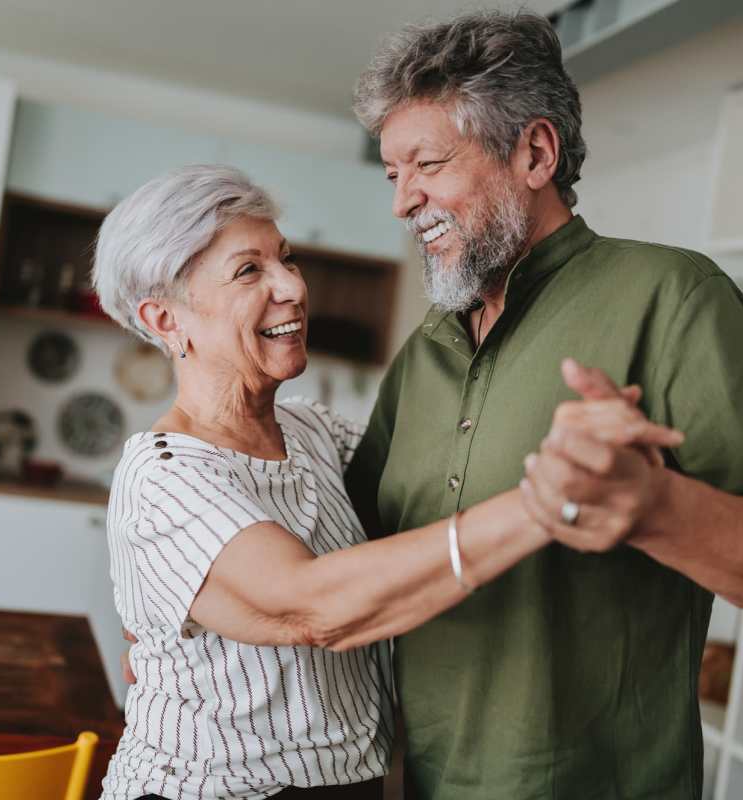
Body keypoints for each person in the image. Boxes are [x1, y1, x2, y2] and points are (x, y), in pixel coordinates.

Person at [341, 10, 743, 800]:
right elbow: (353, 563)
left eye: (428, 163)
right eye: (393, 174)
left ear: (535, 152)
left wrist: (653, 505)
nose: (403, 203)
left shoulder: (673, 297)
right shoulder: (426, 350)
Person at [89, 165, 682, 800]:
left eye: (286, 259)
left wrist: (585, 447)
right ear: (166, 319)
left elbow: (439, 492)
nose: (292, 286)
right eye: (248, 271)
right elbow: (312, 605)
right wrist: (544, 501)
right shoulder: (164, 476)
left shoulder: (314, 433)